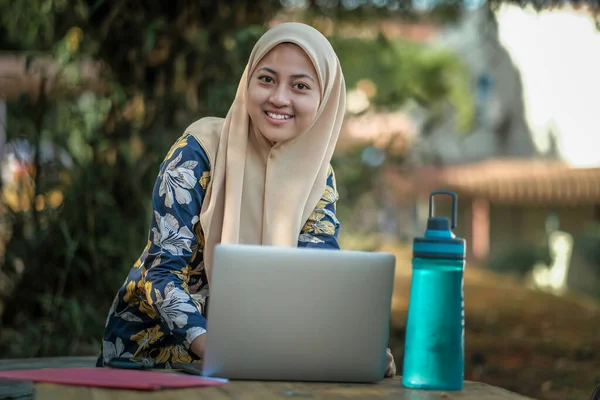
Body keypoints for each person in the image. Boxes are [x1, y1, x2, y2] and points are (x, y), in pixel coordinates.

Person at [97, 22, 396, 378]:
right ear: (247, 82)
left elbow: (318, 277)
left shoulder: (320, 176)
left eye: (300, 86)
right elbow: (161, 275)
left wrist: (354, 344)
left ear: (324, 99)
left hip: (260, 355)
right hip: (154, 351)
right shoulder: (197, 152)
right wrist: (220, 351)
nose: (279, 98)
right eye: (266, 79)